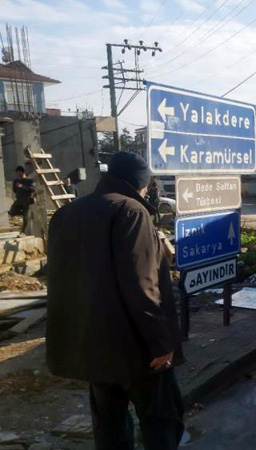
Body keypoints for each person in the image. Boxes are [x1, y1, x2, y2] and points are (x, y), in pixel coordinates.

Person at [46, 152, 184, 450]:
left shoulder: (65, 214)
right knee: (161, 421)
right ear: (139, 183)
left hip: (92, 347)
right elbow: (142, 285)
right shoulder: (132, 211)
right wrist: (161, 343)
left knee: (109, 427)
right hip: (137, 350)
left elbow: (61, 281)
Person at [10, 165, 36, 235]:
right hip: (19, 200)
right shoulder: (16, 181)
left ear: (23, 173)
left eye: (19, 173)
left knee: (25, 219)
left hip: (27, 201)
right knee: (12, 212)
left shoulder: (29, 181)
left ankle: (23, 231)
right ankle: (24, 213)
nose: (18, 175)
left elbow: (32, 189)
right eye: (17, 173)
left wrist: (22, 187)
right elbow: (14, 190)